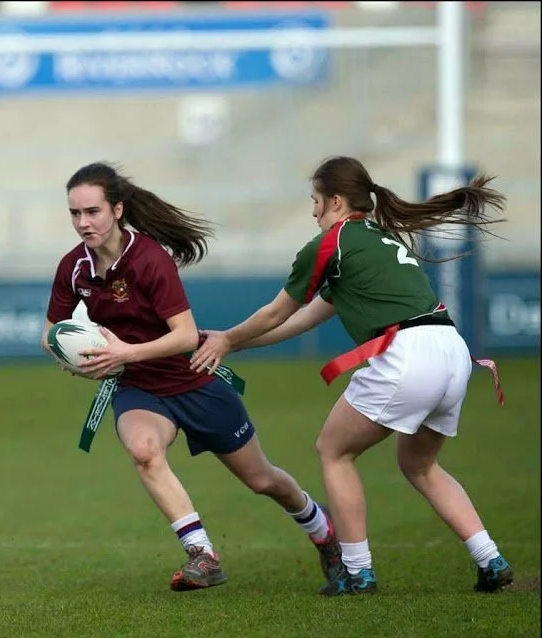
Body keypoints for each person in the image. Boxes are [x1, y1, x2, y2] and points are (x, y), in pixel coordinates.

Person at [191, 155, 513, 596]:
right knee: (420, 465)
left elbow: (276, 312)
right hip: (452, 351)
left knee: (333, 450)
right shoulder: (377, 238)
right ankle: (491, 559)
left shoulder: (330, 243)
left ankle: (358, 572)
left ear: (337, 201)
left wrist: (226, 340)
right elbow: (305, 319)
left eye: (316, 200)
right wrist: (232, 342)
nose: (313, 211)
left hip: (408, 354)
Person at [41, 161, 343, 592]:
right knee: (144, 451)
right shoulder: (73, 267)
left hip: (194, 378)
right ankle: (202, 553)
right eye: (75, 213)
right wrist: (78, 359)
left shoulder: (150, 259)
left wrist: (125, 353)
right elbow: (50, 333)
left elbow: (185, 336)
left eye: (93, 211)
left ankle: (322, 529)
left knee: (262, 480)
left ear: (117, 210)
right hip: (139, 387)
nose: (83, 222)